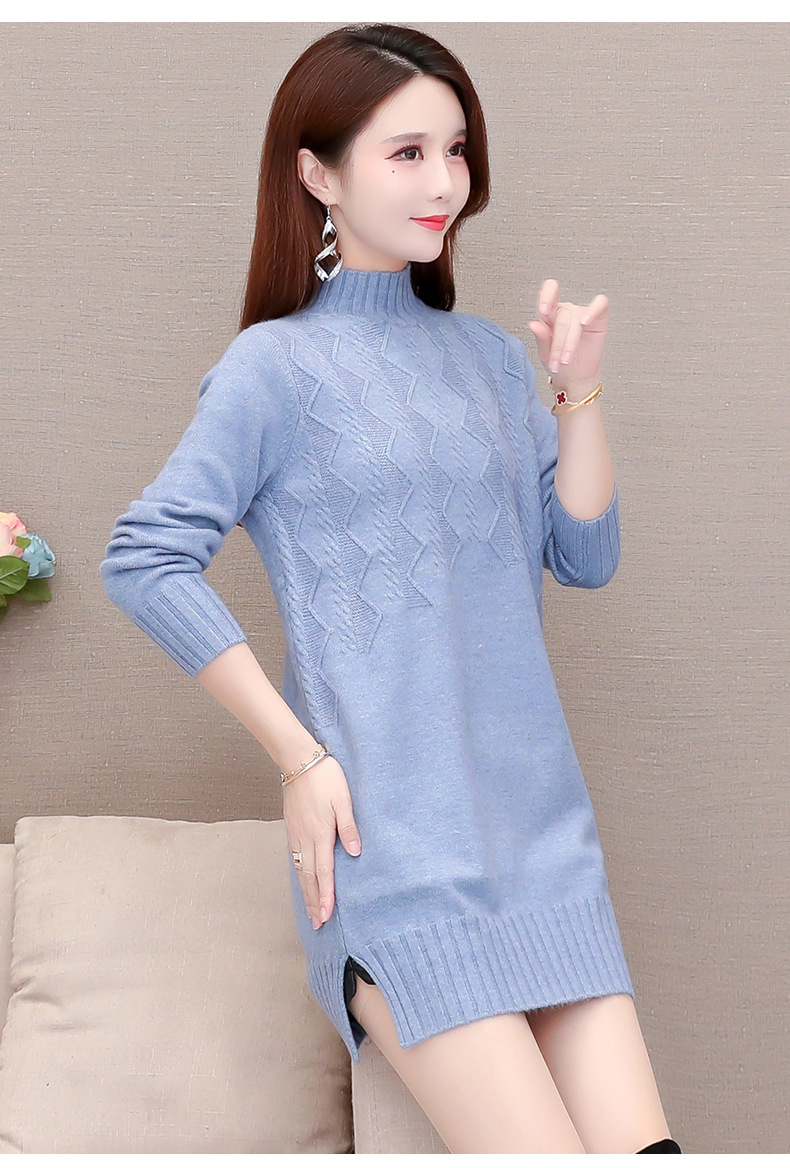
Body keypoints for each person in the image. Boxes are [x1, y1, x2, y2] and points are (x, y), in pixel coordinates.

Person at [100, 23, 683, 1155]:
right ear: (318, 174)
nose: (444, 183)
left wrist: (577, 395)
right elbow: (145, 556)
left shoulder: (489, 361)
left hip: (542, 845)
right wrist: (300, 758)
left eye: (455, 150)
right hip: (398, 862)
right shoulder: (274, 368)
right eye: (406, 152)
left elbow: (585, 555)